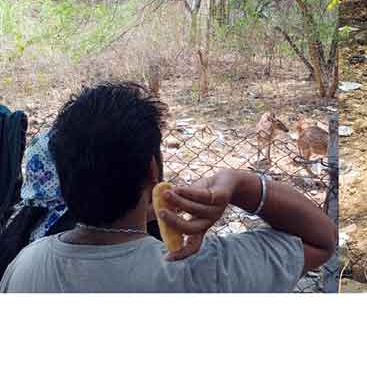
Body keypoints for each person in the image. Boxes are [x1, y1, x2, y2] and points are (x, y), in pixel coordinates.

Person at [0, 82, 337, 293]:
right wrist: (239, 183)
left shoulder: (24, 267)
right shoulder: (201, 268)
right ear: (152, 171)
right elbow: (322, 241)